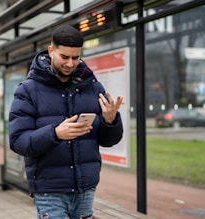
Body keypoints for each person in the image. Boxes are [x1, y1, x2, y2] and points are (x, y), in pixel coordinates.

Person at [9, 25, 123, 219]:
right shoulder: (28, 90)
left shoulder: (94, 87)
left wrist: (110, 120)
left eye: (76, 57)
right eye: (64, 57)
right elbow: (18, 141)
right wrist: (55, 134)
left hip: (85, 189)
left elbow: (108, 140)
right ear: (51, 50)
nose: (70, 64)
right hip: (50, 190)